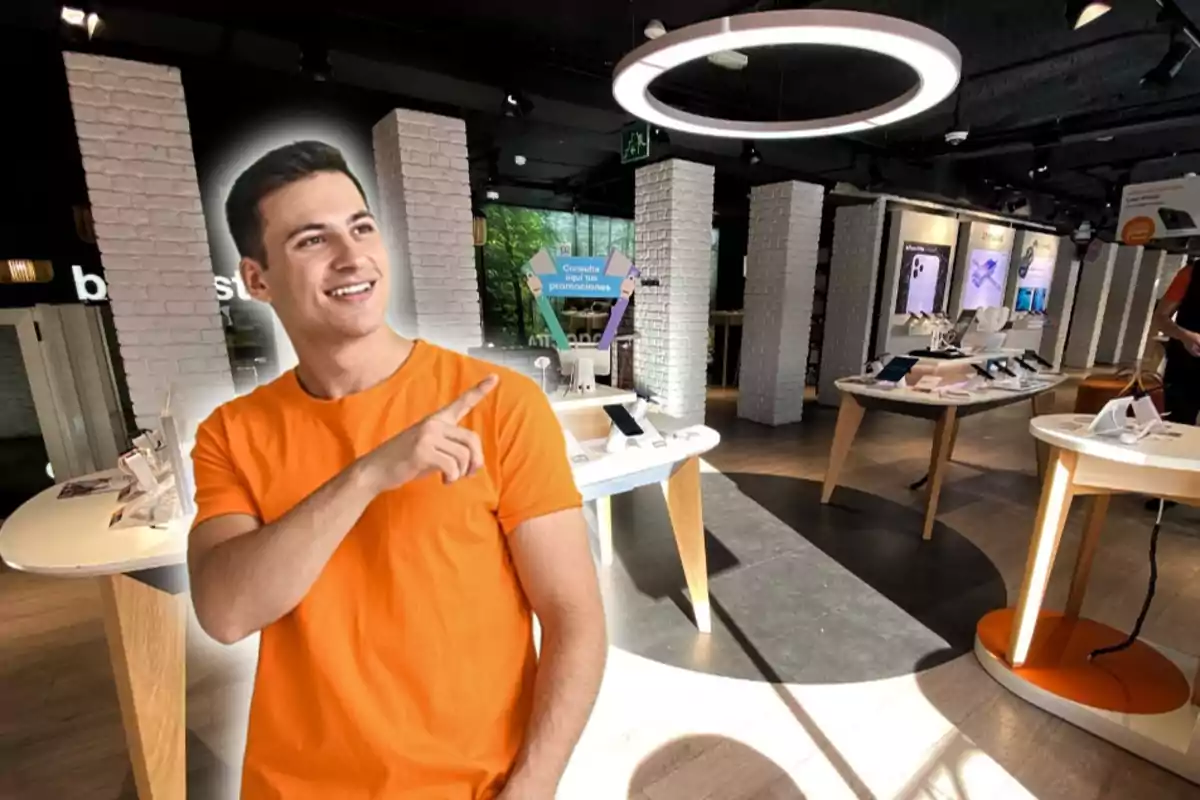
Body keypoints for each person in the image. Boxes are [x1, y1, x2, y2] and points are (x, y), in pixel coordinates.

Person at [187, 140, 607, 799]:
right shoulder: (233, 434)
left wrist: (534, 785)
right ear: (257, 279)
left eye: (361, 228)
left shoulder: (499, 404)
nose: (352, 257)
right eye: (310, 240)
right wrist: (368, 474)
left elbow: (572, 616)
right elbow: (227, 611)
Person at [1152, 258, 1200, 427]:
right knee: (1178, 427)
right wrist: (1185, 336)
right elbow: (1160, 317)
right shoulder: (1191, 273)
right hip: (1185, 368)